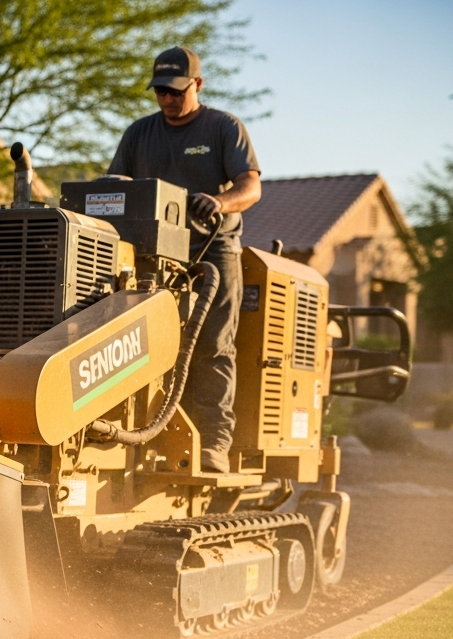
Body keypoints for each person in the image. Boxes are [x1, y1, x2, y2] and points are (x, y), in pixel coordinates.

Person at [107, 46, 261, 474]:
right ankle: (143, 439)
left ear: (197, 84)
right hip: (153, 257)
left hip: (213, 252)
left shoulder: (222, 127)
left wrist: (220, 200)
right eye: (160, 91)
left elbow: (251, 187)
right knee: (147, 346)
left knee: (212, 346)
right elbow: (117, 181)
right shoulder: (139, 133)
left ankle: (212, 445)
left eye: (176, 91)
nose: (167, 99)